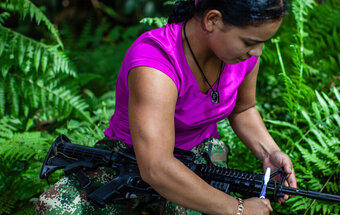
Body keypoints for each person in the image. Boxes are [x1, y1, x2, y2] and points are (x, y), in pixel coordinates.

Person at [36, 0, 296, 214]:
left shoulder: (242, 57)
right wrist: (238, 209)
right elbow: (156, 166)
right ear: (212, 20)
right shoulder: (155, 61)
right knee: (55, 209)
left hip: (198, 157)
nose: (258, 52)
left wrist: (269, 153)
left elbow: (243, 109)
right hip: (131, 157)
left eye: (263, 42)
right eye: (250, 42)